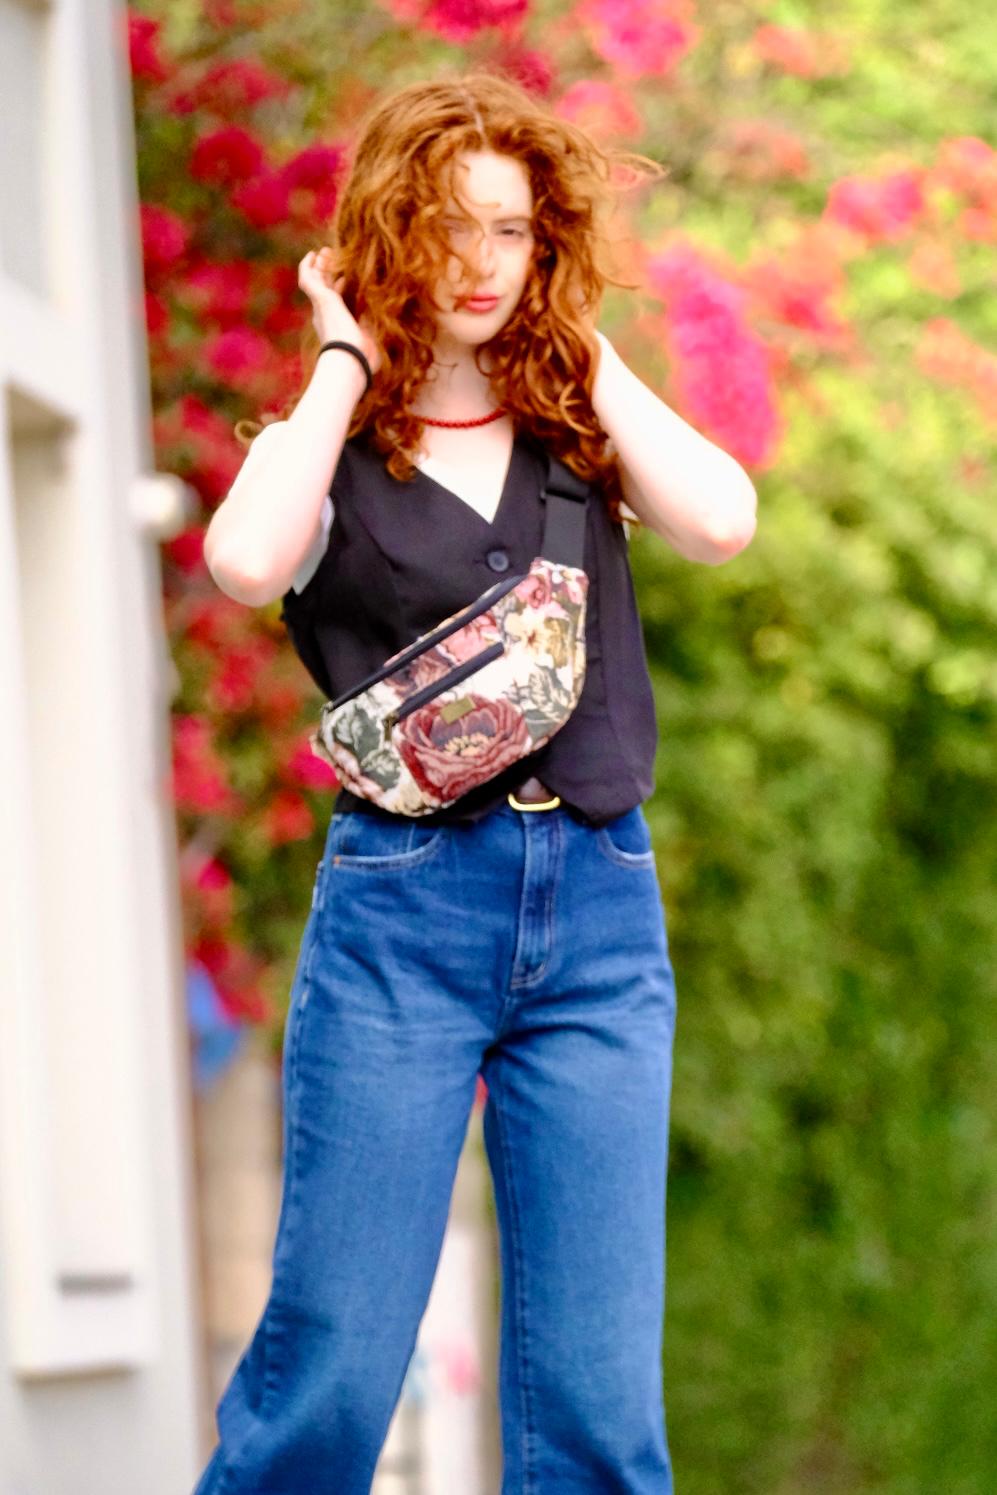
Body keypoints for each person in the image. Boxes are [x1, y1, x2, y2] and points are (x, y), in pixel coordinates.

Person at [195, 69, 756, 1495]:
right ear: (392, 232)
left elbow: (719, 522)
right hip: (404, 918)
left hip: (599, 915)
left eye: (512, 230)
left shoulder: (577, 431)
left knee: (597, 1407)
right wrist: (340, 358)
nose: (480, 261)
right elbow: (246, 563)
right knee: (332, 1372)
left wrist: (582, 343)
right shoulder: (329, 451)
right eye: (447, 225)